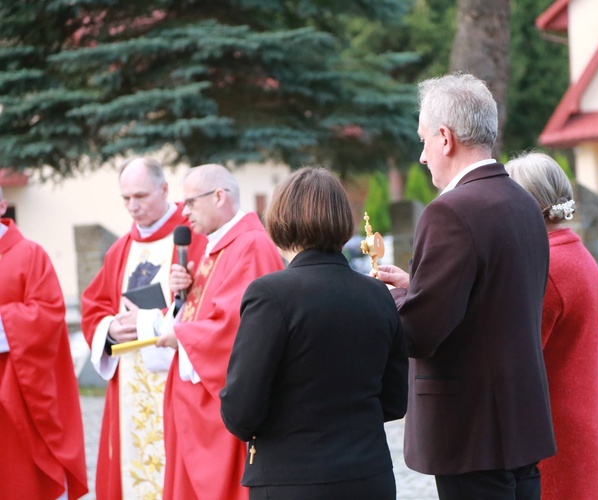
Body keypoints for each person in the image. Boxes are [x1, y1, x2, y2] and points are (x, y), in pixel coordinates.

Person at [377, 73, 556, 499]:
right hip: (520, 420)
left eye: (423, 141)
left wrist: (383, 300)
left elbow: (420, 332)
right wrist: (413, 287)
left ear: (445, 138)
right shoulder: (524, 202)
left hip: (471, 429)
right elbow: (490, 299)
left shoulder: (450, 212)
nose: (422, 156)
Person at [220, 167, 409, 499]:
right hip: (368, 476)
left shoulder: (270, 294)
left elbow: (241, 412)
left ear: (280, 221)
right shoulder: (377, 294)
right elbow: (394, 402)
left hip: (292, 479)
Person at [155, 163, 284, 500]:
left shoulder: (251, 246)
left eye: (190, 203)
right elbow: (204, 313)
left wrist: (181, 337)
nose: (183, 213)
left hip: (220, 411)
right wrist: (182, 296)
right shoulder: (218, 247)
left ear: (219, 196)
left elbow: (240, 330)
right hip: (196, 408)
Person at [80, 157, 206, 499]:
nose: (132, 207)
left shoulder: (194, 237)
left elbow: (207, 302)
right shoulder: (121, 248)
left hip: (175, 374)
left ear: (164, 189)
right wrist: (109, 329)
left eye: (140, 196)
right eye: (125, 199)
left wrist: (153, 321)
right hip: (131, 381)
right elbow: (94, 306)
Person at [505, 152, 598, 500]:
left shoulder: (547, 269)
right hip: (584, 426)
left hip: (556, 437)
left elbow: (513, 359)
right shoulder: (578, 256)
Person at [0, 187, 88, 499]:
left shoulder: (29, 255)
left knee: (21, 478)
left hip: (18, 391)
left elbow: (48, 313)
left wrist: (4, 323)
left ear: (2, 205)